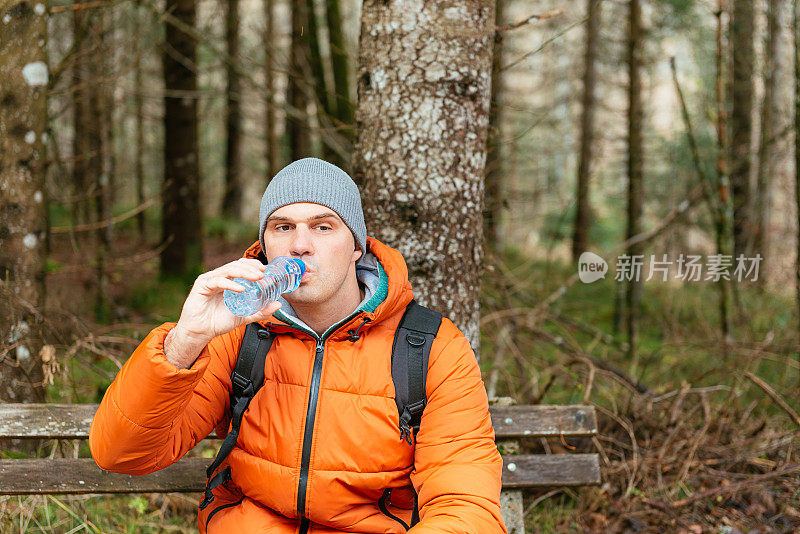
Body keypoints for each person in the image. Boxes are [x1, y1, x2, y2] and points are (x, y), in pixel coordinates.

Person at [89, 157, 507, 534]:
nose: (299, 244)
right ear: (267, 244)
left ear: (356, 245)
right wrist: (185, 341)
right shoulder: (239, 334)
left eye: (323, 227)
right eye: (282, 227)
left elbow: (466, 507)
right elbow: (120, 455)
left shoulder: (431, 347)